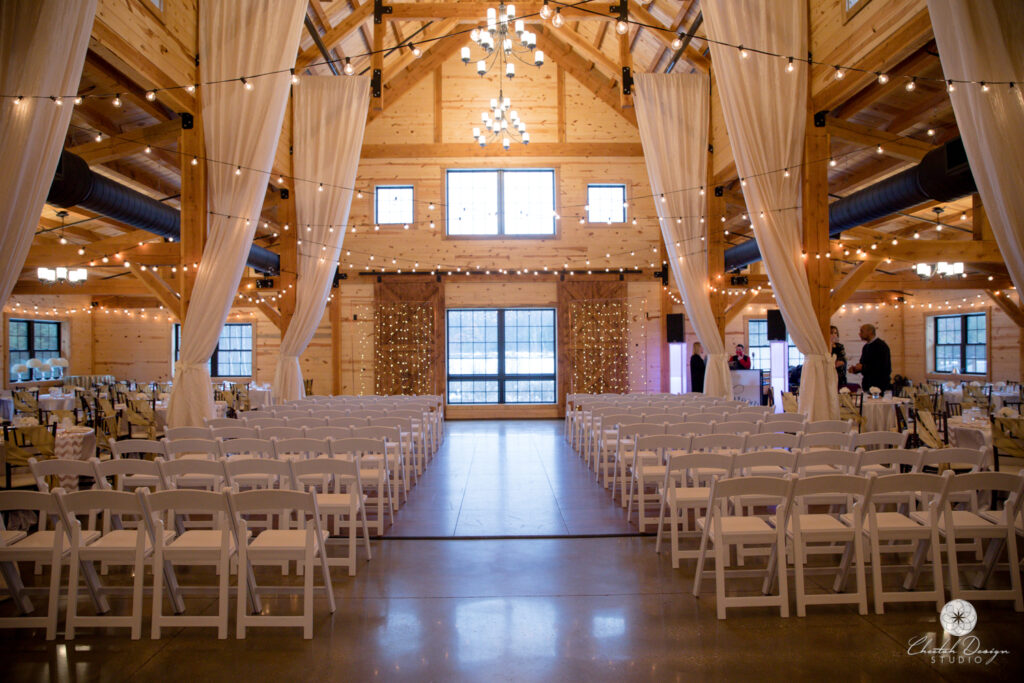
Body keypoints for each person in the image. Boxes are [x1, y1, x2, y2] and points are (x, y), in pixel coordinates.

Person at [849, 324, 891, 392]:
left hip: (879, 386)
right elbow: (863, 364)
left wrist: (863, 367)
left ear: (870, 332)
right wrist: (856, 369)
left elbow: (882, 368)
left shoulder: (881, 346)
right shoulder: (866, 347)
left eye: (862, 331)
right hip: (867, 385)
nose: (859, 334)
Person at [831, 325, 847, 389]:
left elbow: (841, 361)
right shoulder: (824, 347)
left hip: (839, 375)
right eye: (831, 333)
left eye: (835, 333)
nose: (834, 335)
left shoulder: (839, 346)